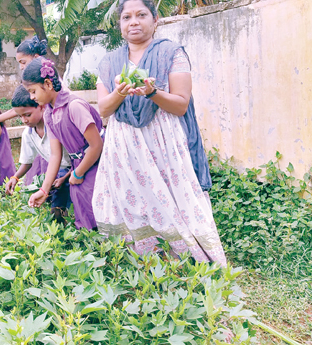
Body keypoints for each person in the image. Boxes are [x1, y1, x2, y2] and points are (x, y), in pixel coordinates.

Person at [91, 0, 226, 266]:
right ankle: (143, 261)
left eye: (141, 15)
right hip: (124, 142)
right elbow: (104, 109)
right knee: (133, 199)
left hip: (163, 139)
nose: (134, 22)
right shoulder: (108, 63)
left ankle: (190, 260)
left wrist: (152, 92)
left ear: (155, 20)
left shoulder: (171, 53)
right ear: (120, 25)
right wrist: (120, 91)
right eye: (127, 17)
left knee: (173, 197)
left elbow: (180, 103)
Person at [23, 57, 103, 230]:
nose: (32, 97)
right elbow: (55, 155)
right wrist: (44, 191)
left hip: (95, 165)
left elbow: (96, 145)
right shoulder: (49, 114)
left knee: (99, 213)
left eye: (33, 91)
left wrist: (79, 173)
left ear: (48, 84)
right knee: (84, 215)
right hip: (79, 167)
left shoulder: (74, 106)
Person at [0, 36, 50, 185]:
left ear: (36, 58)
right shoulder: (29, 131)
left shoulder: (46, 81)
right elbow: (19, 110)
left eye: (23, 62)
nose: (21, 67)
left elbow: (21, 111)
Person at [5, 85, 72, 223]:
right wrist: (15, 178)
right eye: (20, 116)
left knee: (74, 211)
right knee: (56, 212)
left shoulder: (56, 125)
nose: (24, 120)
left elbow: (77, 156)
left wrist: (65, 177)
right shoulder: (28, 134)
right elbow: (27, 161)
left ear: (41, 106)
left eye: (27, 115)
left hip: (76, 169)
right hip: (58, 174)